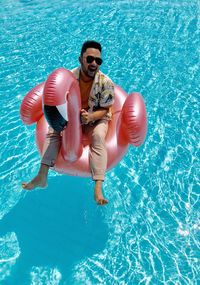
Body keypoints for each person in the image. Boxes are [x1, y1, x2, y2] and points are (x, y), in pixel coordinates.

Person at [22, 40, 115, 206]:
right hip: (74, 116)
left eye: (98, 61)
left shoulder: (105, 82)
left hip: (96, 117)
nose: (94, 64)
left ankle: (98, 186)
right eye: (90, 59)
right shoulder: (70, 77)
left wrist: (91, 118)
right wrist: (69, 118)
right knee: (53, 130)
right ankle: (42, 175)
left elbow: (107, 109)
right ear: (80, 59)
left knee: (98, 136)